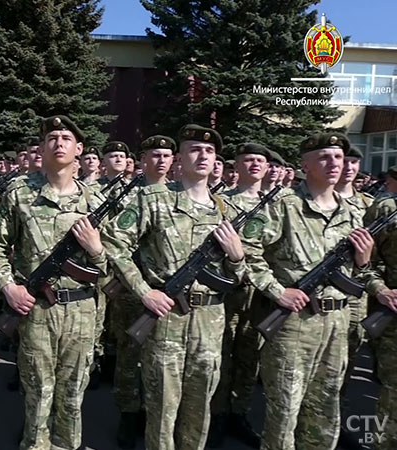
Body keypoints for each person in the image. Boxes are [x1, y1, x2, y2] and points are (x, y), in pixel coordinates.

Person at [103, 124, 246, 450]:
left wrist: (237, 258)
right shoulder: (154, 200)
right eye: (195, 149)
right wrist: (143, 290)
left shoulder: (227, 210)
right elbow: (114, 243)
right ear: (180, 158)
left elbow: (237, 277)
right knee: (163, 410)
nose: (203, 155)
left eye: (209, 151)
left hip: (210, 322)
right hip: (166, 319)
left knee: (199, 411)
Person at [246, 133, 375, 450]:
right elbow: (247, 252)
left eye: (339, 157)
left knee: (325, 412)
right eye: (324, 157)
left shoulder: (354, 212)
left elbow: (363, 273)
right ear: (305, 165)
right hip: (295, 324)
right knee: (284, 414)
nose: (334, 163)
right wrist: (277, 291)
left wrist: (363, 260)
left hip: (337, 323)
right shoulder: (284, 205)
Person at [0, 115, 107, 450]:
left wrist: (97, 251)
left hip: (82, 310)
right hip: (37, 309)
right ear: (42, 147)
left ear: (79, 149)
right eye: (52, 137)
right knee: (38, 392)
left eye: (66, 138)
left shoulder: (95, 200)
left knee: (72, 396)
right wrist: (8, 287)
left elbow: (117, 265)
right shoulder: (19, 192)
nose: (58, 143)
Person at [110, 134, 176, 449]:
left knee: (161, 360)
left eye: (166, 155)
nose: (161, 160)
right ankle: (128, 412)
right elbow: (113, 243)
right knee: (129, 350)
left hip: (165, 292)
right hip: (130, 287)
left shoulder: (181, 195)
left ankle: (154, 414)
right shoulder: (127, 195)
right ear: (143, 161)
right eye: (155, 155)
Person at [208, 143, 273, 448]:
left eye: (260, 160)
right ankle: (218, 413)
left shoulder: (279, 203)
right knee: (223, 354)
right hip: (228, 290)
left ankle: (240, 412)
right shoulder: (220, 202)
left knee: (250, 357)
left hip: (262, 294)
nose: (255, 164)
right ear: (237, 166)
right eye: (248, 160)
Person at [333, 145, 375, 446]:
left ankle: (339, 418)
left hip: (356, 295)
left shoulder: (370, 205)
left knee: (347, 358)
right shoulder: (314, 199)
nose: (348, 167)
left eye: (353, 162)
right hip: (320, 298)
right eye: (343, 160)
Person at [363, 164, 397, 450]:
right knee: (394, 389)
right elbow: (364, 262)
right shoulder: (386, 209)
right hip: (395, 311)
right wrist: (381, 290)